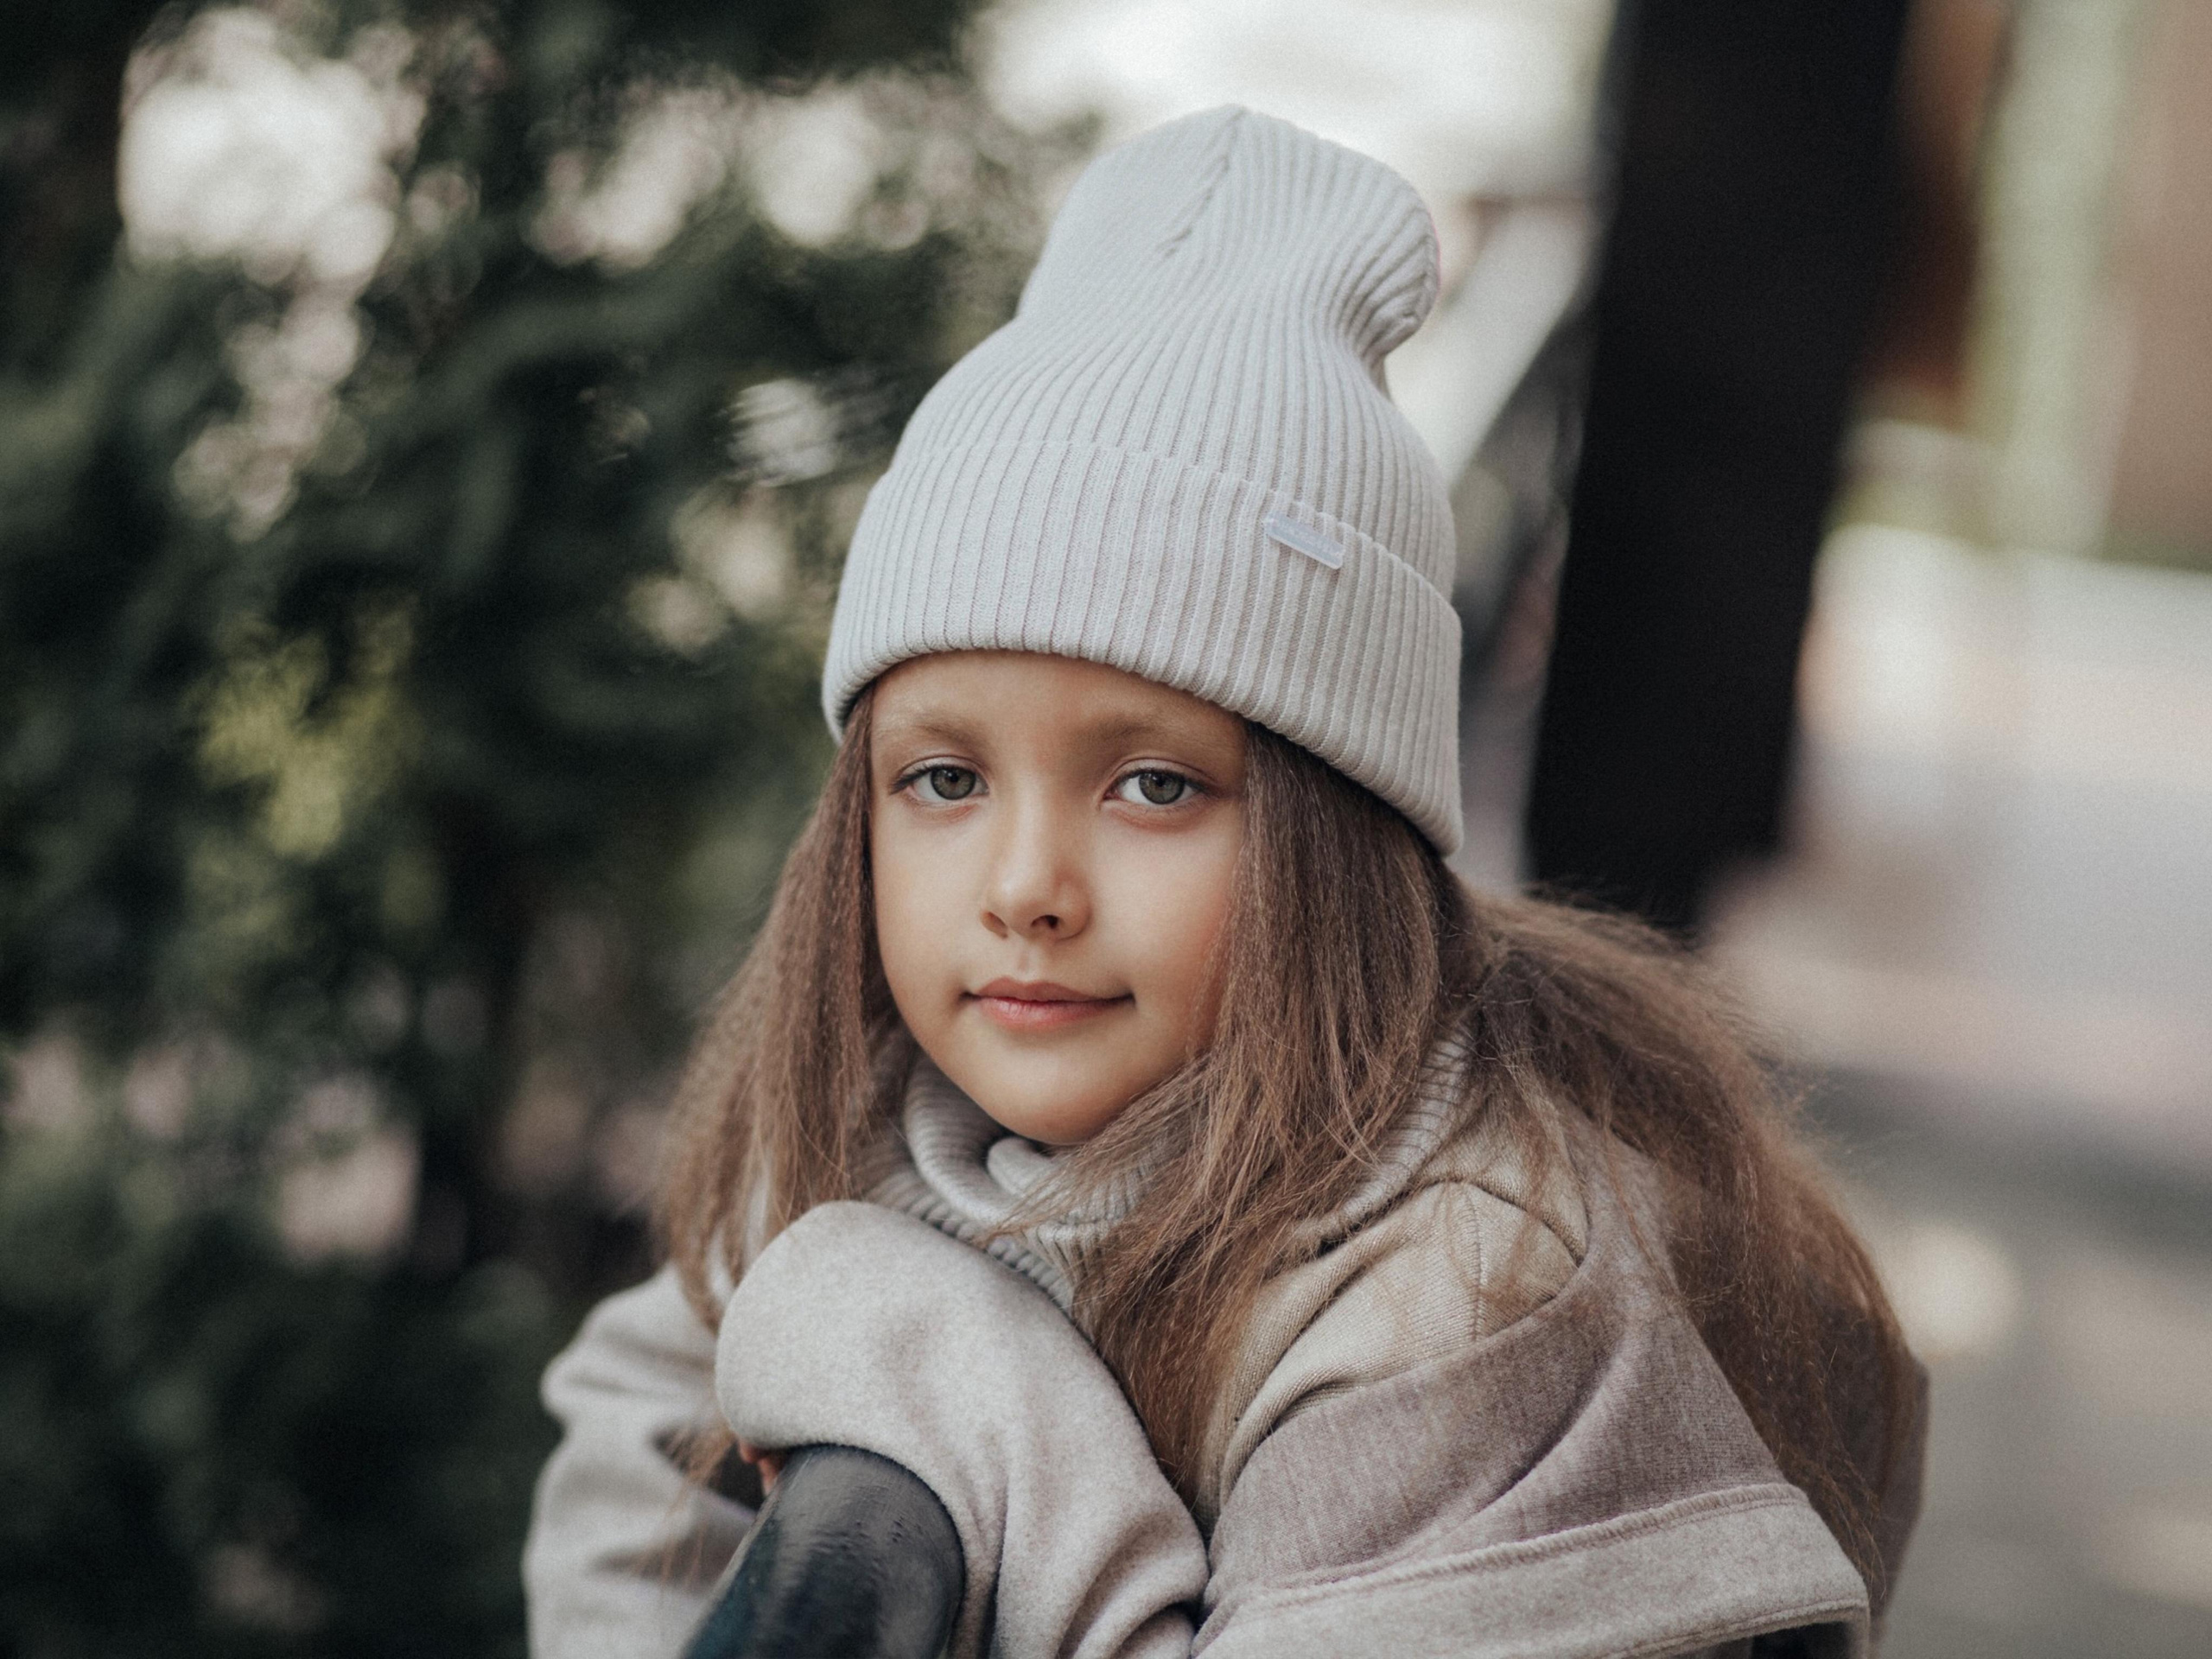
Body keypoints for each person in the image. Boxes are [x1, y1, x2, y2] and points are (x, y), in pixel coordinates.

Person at [522, 106, 1924, 1659]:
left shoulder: (1470, 1289)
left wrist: (949, 1368)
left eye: (1155, 785)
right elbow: (637, 1429)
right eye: (944, 779)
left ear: (1343, 830)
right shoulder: (878, 1109)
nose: (1027, 887)